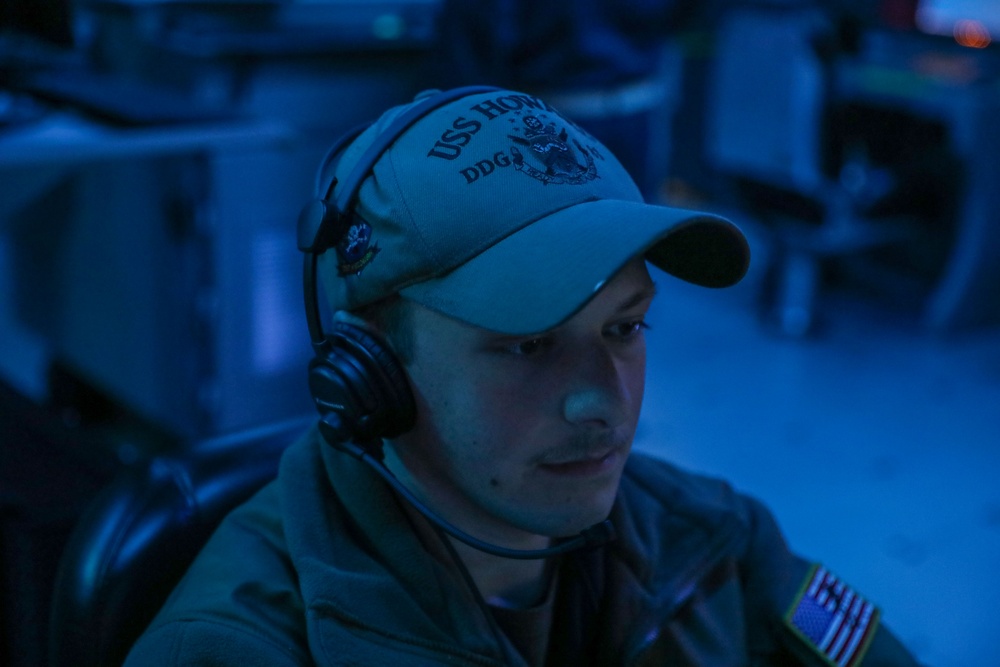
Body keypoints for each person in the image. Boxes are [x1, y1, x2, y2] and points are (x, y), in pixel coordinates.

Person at [124, 87, 920, 666]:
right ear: (367, 371)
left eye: (625, 326)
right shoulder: (234, 648)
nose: (604, 401)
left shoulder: (710, 537)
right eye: (528, 344)